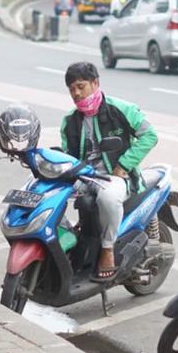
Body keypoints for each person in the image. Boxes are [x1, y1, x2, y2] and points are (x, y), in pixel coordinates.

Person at [59, 62, 158, 281]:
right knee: (49, 191)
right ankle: (68, 239)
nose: (76, 93)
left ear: (95, 83)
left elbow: (150, 136)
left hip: (114, 176)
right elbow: (69, 155)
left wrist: (123, 165)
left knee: (109, 197)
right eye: (71, 89)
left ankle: (107, 248)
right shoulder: (70, 121)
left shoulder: (121, 109)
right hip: (84, 176)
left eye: (81, 86)